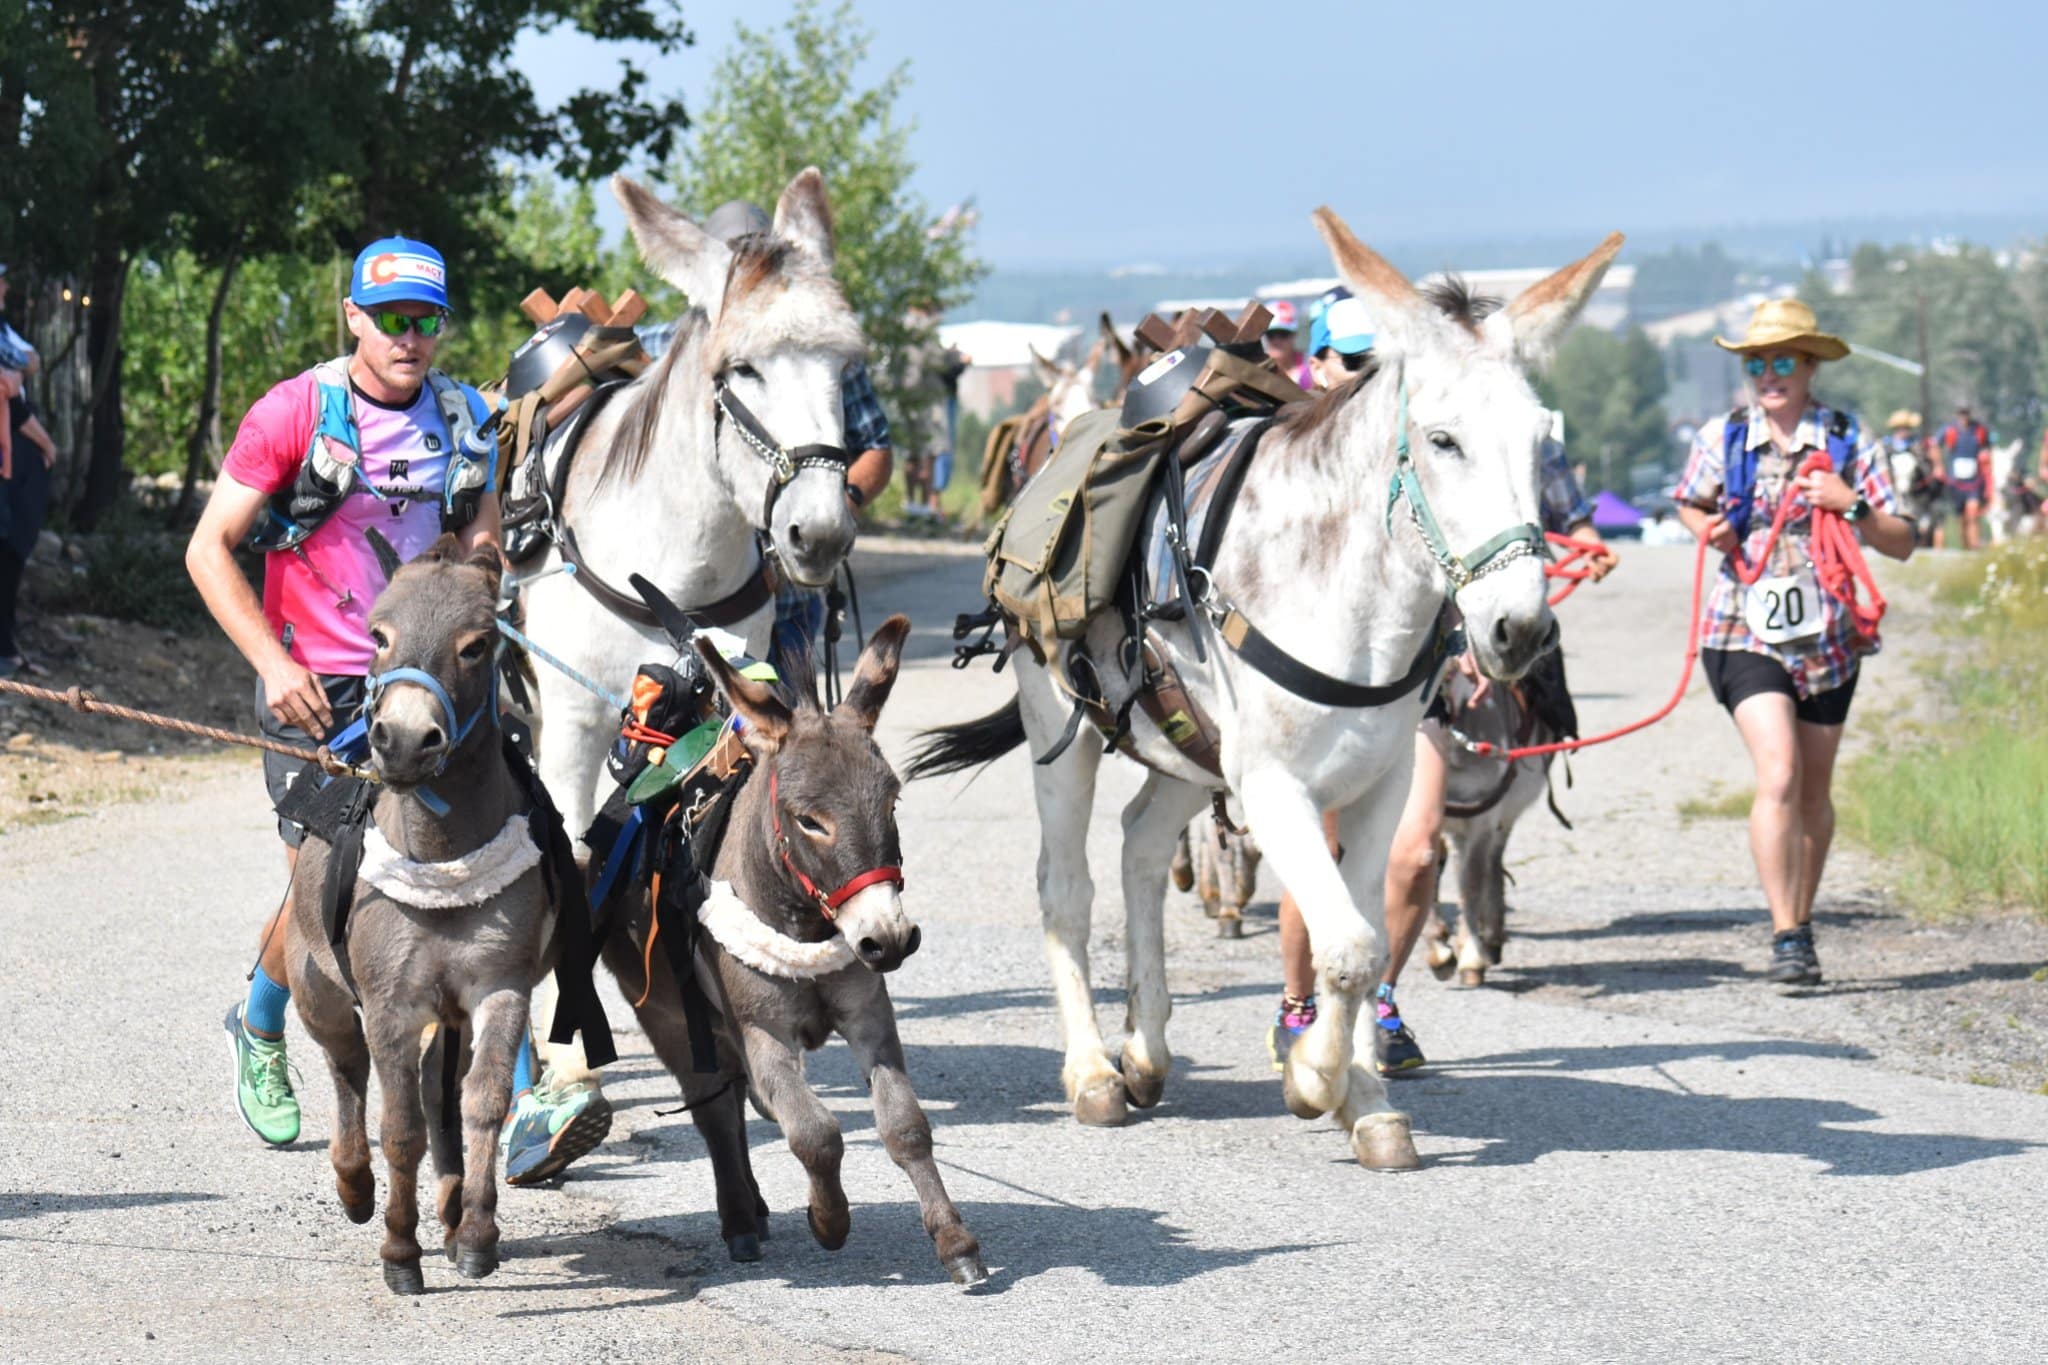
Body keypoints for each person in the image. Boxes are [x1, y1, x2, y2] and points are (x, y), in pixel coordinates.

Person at [181, 238, 582, 1174]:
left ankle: (520, 1092)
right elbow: (210, 548)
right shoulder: (294, 412)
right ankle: (260, 1018)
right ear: (354, 317)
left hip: (434, 683)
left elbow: (480, 547)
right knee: (329, 889)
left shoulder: (466, 418)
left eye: (426, 320)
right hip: (317, 687)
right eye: (391, 319)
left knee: (509, 856)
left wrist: (485, 606)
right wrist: (274, 663)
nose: (410, 337)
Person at [1674, 299, 1914, 985]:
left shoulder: (1847, 438)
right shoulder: (1722, 437)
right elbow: (1689, 499)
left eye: (1783, 361)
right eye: (1757, 363)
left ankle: (1801, 924)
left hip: (1830, 638)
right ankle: (1784, 932)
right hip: (1740, 630)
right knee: (1778, 771)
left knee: (1814, 789)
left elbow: (1903, 542)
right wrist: (1705, 527)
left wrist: (1852, 504)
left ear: (1810, 366)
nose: (1769, 374)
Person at [637, 199, 894, 680]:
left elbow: (876, 449)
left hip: (790, 592)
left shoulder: (817, 353)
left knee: (787, 726)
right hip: (686, 593)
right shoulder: (661, 347)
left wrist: (841, 505)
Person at [1, 262, 60, 680]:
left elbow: (30, 361)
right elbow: (10, 397)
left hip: (17, 451)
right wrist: (45, 442)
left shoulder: (3, 328)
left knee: (13, 549)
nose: (5, 286)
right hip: (12, 451)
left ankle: (6, 646)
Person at [1934, 402, 1991, 550]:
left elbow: (1987, 448)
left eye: (1966, 413)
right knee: (1962, 518)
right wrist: (1938, 466)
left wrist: (1986, 458)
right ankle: (1966, 546)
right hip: (1955, 481)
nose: (1964, 416)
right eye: (1961, 413)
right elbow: (1934, 445)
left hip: (1974, 480)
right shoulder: (1950, 430)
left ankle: (1975, 544)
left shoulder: (1979, 430)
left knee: (1973, 512)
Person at [1261, 299, 1313, 391]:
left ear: (1294, 335)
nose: (1277, 341)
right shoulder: (1258, 371)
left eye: (1283, 334)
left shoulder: (1311, 369)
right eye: (1271, 335)